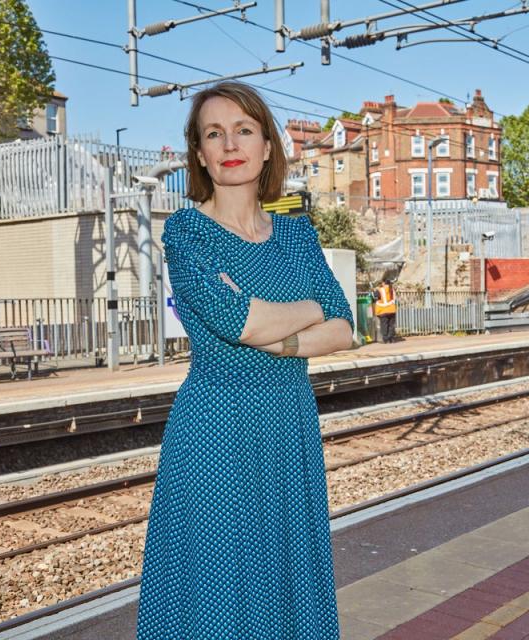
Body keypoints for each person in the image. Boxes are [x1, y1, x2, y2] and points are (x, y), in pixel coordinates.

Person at [137, 81, 354, 640]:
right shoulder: (186, 232)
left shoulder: (298, 235)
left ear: (266, 147)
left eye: (244, 129)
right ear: (200, 153)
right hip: (216, 430)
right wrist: (308, 309)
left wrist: (282, 329)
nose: (229, 142)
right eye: (214, 133)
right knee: (216, 586)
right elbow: (237, 323)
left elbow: (344, 327)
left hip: (288, 426)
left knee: (285, 580)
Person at [372, 277, 397, 343]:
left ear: (383, 283)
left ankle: (385, 339)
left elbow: (374, 296)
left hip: (382, 310)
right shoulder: (392, 289)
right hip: (391, 309)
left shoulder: (380, 290)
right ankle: (391, 338)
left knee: (384, 325)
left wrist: (374, 290)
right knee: (391, 325)